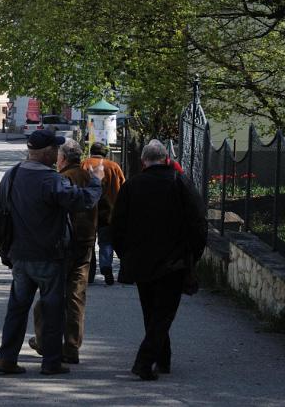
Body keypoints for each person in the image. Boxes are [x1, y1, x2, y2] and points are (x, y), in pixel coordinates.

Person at [0, 129, 104, 376]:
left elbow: (0, 213)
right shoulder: (51, 180)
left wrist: (4, 250)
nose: (57, 153)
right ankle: (51, 362)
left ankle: (6, 358)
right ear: (47, 153)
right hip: (48, 256)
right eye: (55, 149)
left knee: (17, 309)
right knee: (53, 309)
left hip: (19, 256)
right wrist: (96, 180)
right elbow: (83, 200)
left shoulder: (11, 176)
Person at [112, 139, 207, 380]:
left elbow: (117, 226)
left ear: (144, 161)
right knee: (163, 313)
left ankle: (163, 360)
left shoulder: (132, 185)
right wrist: (193, 255)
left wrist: (126, 254)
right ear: (166, 159)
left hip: (141, 261)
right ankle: (144, 362)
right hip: (173, 262)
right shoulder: (180, 183)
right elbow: (198, 223)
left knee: (151, 312)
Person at [28, 139, 98, 365]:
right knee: (76, 297)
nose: (57, 161)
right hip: (86, 244)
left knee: (48, 298)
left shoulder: (60, 179)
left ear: (64, 159)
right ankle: (71, 347)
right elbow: (103, 209)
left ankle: (43, 341)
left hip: (62, 246)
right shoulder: (90, 178)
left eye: (58, 158)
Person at [82, 142, 125, 285]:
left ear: (91, 152)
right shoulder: (114, 166)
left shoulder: (85, 164)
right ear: (105, 153)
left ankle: (90, 273)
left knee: (89, 243)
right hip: (109, 211)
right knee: (106, 242)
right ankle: (106, 266)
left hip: (88, 211)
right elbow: (123, 186)